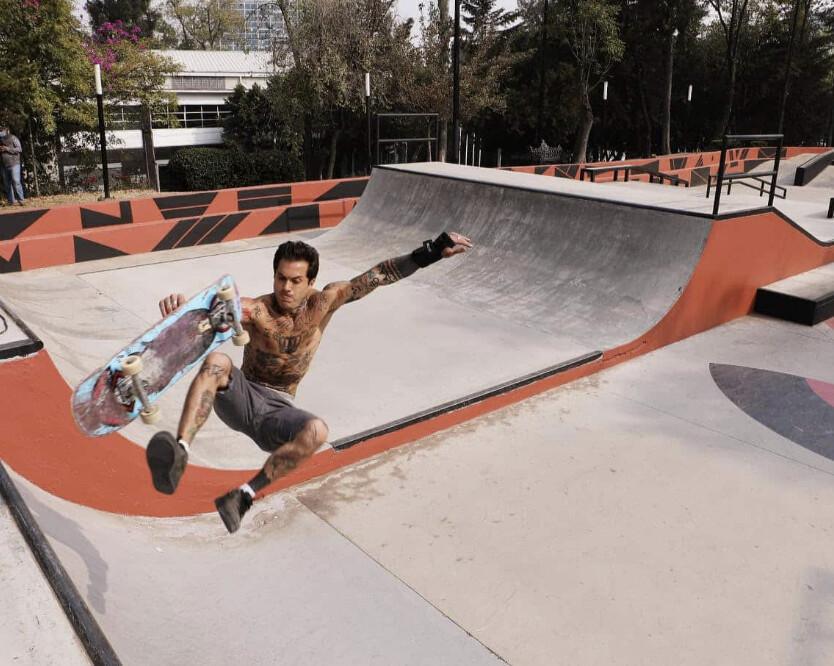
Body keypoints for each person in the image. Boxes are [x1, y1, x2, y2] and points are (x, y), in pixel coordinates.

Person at [149, 232, 473, 533]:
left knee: (317, 430)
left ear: (311, 281)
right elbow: (209, 316)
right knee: (218, 362)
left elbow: (378, 276)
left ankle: (243, 497)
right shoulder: (255, 309)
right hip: (241, 396)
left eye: (295, 281)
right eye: (280, 278)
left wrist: (429, 252)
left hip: (278, 412)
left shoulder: (325, 302)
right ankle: (179, 453)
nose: (286, 288)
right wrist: (181, 312)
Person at [0, 125, 25, 206]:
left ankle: (21, 200)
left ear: (7, 131)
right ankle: (11, 201)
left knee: (16, 181)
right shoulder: (0, 140)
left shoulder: (13, 138)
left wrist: (7, 149)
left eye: (2, 131)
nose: (1, 133)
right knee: (7, 184)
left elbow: (19, 149)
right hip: (4, 165)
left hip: (14, 164)